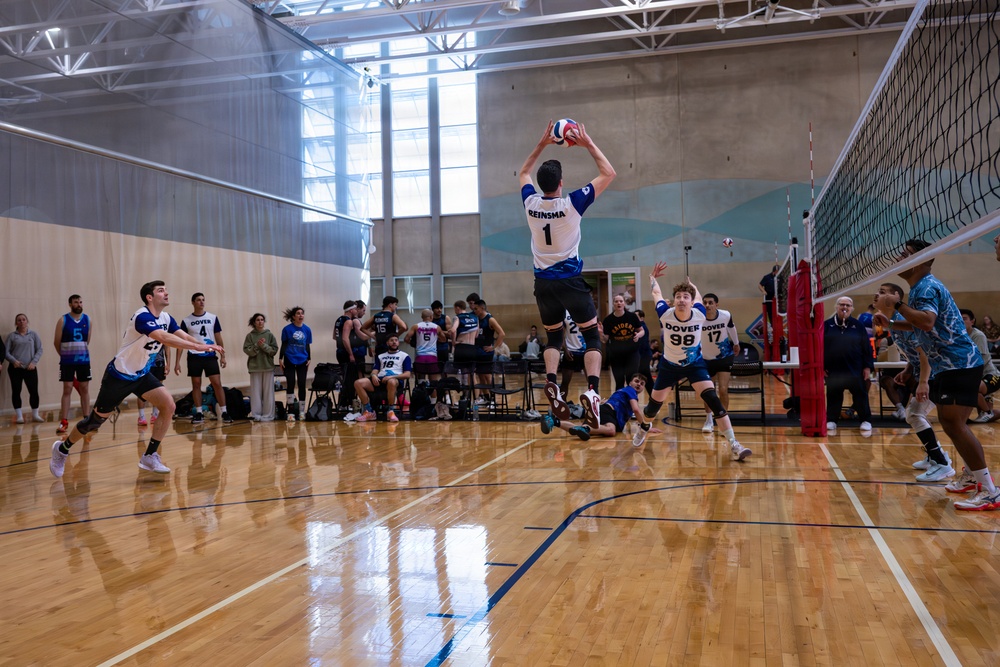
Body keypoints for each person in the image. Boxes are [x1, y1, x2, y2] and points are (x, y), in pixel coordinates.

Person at [49, 281, 224, 479]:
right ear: (150, 297)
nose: (166, 293)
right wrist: (198, 348)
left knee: (168, 405)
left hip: (141, 374)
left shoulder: (166, 317)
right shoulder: (142, 316)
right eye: (161, 291)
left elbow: (182, 335)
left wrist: (204, 345)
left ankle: (149, 455)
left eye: (166, 290)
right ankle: (62, 449)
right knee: (94, 422)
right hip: (119, 376)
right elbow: (163, 337)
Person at [873, 238, 998, 510]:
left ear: (921, 260)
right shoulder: (920, 287)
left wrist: (897, 305)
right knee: (953, 424)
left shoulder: (926, 286)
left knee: (953, 423)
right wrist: (892, 322)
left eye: (906, 254)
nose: (899, 258)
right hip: (950, 364)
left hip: (959, 363)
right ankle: (972, 477)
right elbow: (922, 325)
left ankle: (990, 491)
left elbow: (927, 322)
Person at [517, 120, 616, 428]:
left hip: (543, 284)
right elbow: (609, 173)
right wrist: (588, 144)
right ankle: (593, 391)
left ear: (542, 184)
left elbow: (523, 173)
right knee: (592, 337)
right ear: (561, 183)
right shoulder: (571, 203)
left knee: (553, 336)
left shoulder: (530, 203)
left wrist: (542, 143)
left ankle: (552, 383)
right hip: (570, 281)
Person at [643, 262, 751, 461]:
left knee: (713, 400)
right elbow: (656, 294)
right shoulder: (664, 313)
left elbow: (699, 297)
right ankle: (643, 428)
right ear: (674, 301)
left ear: (691, 302)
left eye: (686, 297)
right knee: (652, 408)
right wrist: (652, 278)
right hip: (669, 366)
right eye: (678, 297)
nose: (681, 300)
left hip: (694, 365)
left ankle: (734, 444)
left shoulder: (699, 313)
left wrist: (692, 286)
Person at [875, 282, 954, 482]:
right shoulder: (893, 322)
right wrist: (908, 369)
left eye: (882, 292)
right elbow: (915, 353)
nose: (877, 295)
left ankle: (941, 463)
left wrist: (923, 382)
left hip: (938, 373)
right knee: (915, 415)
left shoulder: (903, 319)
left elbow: (925, 352)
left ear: (895, 296)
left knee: (915, 414)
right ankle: (935, 456)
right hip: (928, 372)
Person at [540, 373, 653, 446]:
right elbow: (636, 410)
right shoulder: (631, 391)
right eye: (636, 381)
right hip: (609, 412)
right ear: (630, 383)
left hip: (605, 411)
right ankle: (586, 425)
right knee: (611, 430)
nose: (639, 384)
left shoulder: (625, 391)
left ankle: (553, 421)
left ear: (643, 388)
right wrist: (645, 427)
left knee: (582, 428)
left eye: (642, 384)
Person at [175, 293, 230, 424]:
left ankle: (224, 412)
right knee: (196, 384)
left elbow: (218, 338)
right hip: (194, 356)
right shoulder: (186, 321)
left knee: (217, 383)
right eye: (198, 300)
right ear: (193, 302)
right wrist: (177, 362)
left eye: (203, 300)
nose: (201, 302)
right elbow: (181, 342)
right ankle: (199, 413)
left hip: (210, 355)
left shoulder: (212, 317)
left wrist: (222, 356)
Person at [823, 296, 874, 433]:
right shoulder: (827, 325)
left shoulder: (858, 325)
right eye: (841, 305)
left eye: (848, 305)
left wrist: (867, 367)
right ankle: (832, 420)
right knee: (833, 395)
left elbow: (866, 348)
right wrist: (822, 367)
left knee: (860, 395)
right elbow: (820, 347)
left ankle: (865, 420)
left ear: (852, 309)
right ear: (836, 307)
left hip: (855, 368)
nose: (844, 307)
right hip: (834, 369)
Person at [699, 293, 741, 433]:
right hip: (705, 358)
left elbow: (732, 328)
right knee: (708, 392)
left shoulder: (725, 315)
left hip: (724, 356)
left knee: (723, 389)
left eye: (710, 302)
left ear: (716, 304)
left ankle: (724, 423)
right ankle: (709, 420)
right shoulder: (698, 317)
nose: (707, 305)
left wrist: (736, 343)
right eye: (705, 302)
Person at [53, 294, 92, 434]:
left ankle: (87, 419)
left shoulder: (87, 319)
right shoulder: (63, 320)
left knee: (84, 388)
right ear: (70, 304)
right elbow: (56, 342)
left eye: (80, 302)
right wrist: (65, 356)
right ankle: (64, 421)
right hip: (67, 361)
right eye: (76, 302)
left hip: (83, 360)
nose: (79, 304)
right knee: (67, 388)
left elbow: (87, 341)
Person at [355, 334, 412, 423]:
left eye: (396, 340)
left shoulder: (405, 356)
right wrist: (373, 375)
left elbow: (407, 374)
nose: (394, 342)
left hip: (394, 380)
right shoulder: (381, 356)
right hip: (380, 379)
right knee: (358, 383)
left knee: (391, 382)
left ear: (398, 343)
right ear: (387, 343)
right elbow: (375, 370)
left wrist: (391, 376)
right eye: (391, 340)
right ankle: (369, 411)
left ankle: (390, 411)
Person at [959, 309, 1000, 423]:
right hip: (978, 377)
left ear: (972, 321)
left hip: (990, 375)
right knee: (988, 418)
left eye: (964, 319)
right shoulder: (958, 335)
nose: (961, 321)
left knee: (969, 387)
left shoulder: (978, 335)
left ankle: (986, 411)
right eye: (959, 319)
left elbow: (979, 360)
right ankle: (987, 411)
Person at [601, 293, 644, 392]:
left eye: (621, 301)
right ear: (613, 304)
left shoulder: (632, 316)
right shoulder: (608, 320)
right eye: (616, 301)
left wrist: (638, 335)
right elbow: (605, 339)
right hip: (616, 354)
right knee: (619, 381)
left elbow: (642, 331)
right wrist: (600, 333)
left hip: (632, 353)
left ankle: (631, 400)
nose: (619, 303)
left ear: (624, 303)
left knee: (631, 379)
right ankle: (620, 401)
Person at [6, 314, 44, 424]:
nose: (22, 322)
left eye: (24, 319)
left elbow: (40, 349)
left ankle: (35, 415)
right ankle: (19, 416)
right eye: (19, 320)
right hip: (15, 369)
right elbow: (6, 352)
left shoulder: (33, 335)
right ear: (16, 323)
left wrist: (33, 362)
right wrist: (14, 361)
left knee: (34, 391)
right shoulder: (12, 336)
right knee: (16, 391)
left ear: (27, 321)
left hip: (30, 368)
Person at [243, 313, 278, 422]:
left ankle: (268, 415)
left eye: (262, 319)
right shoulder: (250, 336)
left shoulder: (269, 335)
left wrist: (263, 345)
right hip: (255, 367)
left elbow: (274, 351)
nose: (260, 322)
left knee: (268, 392)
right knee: (256, 392)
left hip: (268, 367)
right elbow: (247, 350)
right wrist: (256, 346)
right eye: (258, 320)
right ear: (254, 322)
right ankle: (256, 414)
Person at [279, 306, 312, 422]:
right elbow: (284, 344)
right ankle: (291, 412)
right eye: (298, 313)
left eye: (302, 313)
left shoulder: (307, 329)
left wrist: (309, 358)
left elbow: (307, 345)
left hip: (302, 360)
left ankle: (302, 412)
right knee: (291, 383)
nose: (300, 315)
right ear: (293, 316)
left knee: (302, 384)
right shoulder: (287, 329)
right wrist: (280, 358)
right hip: (289, 359)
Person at [472, 299, 505, 404]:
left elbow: (502, 333)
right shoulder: (476, 319)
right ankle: (486, 398)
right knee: (480, 375)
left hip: (486, 352)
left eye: (476, 308)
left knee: (487, 375)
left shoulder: (490, 319)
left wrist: (494, 347)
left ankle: (493, 399)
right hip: (477, 351)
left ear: (482, 308)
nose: (474, 310)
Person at [136, 347, 168, 426]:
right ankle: (141, 416)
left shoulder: (163, 338)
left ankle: (155, 414)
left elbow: (167, 348)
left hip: (159, 363)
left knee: (158, 390)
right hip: (145, 363)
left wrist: (168, 364)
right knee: (142, 390)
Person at [635, 310, 654, 398]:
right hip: (643, 356)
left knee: (646, 377)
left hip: (644, 356)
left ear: (642, 318)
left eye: (636, 316)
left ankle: (654, 398)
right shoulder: (639, 327)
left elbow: (642, 344)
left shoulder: (643, 328)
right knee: (645, 377)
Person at [430, 300, 452, 371]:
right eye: (437, 308)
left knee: (445, 368)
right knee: (434, 368)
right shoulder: (430, 319)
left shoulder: (445, 318)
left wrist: (439, 331)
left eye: (440, 308)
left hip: (443, 346)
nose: (439, 310)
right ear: (433, 310)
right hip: (432, 346)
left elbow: (450, 334)